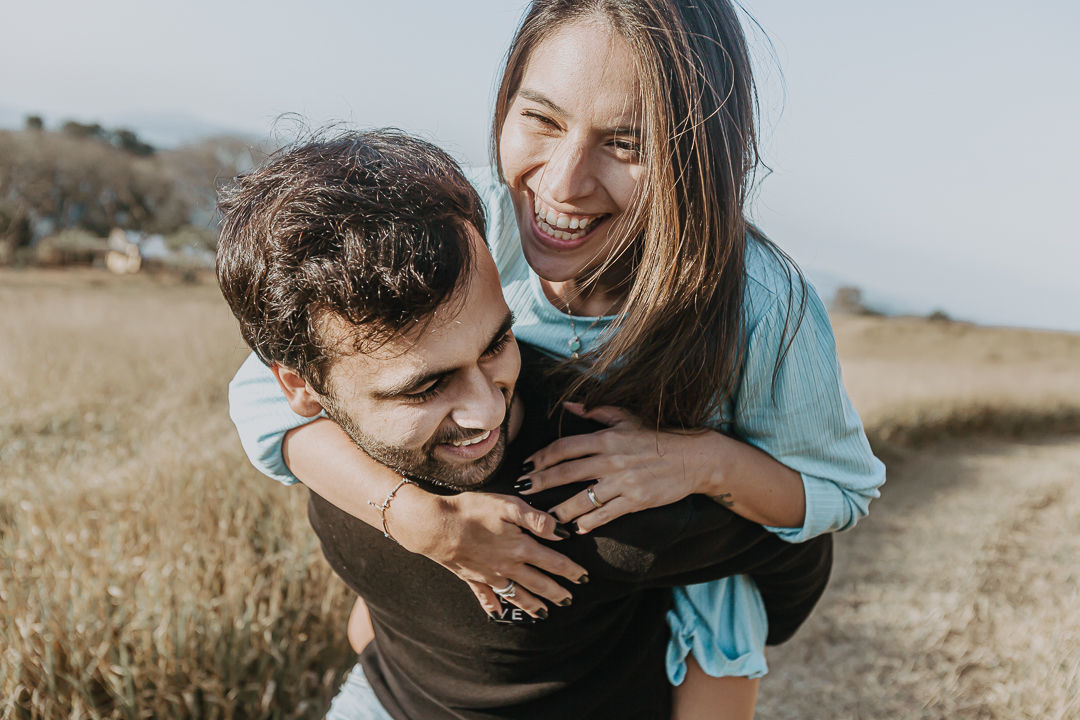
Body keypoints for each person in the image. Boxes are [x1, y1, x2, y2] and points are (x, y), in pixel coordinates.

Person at [227, 1, 886, 716]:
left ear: (698, 157)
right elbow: (271, 393)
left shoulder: (759, 305)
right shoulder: (467, 222)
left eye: (627, 144)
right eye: (541, 119)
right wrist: (421, 524)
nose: (563, 185)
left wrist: (703, 461)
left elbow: (839, 493)